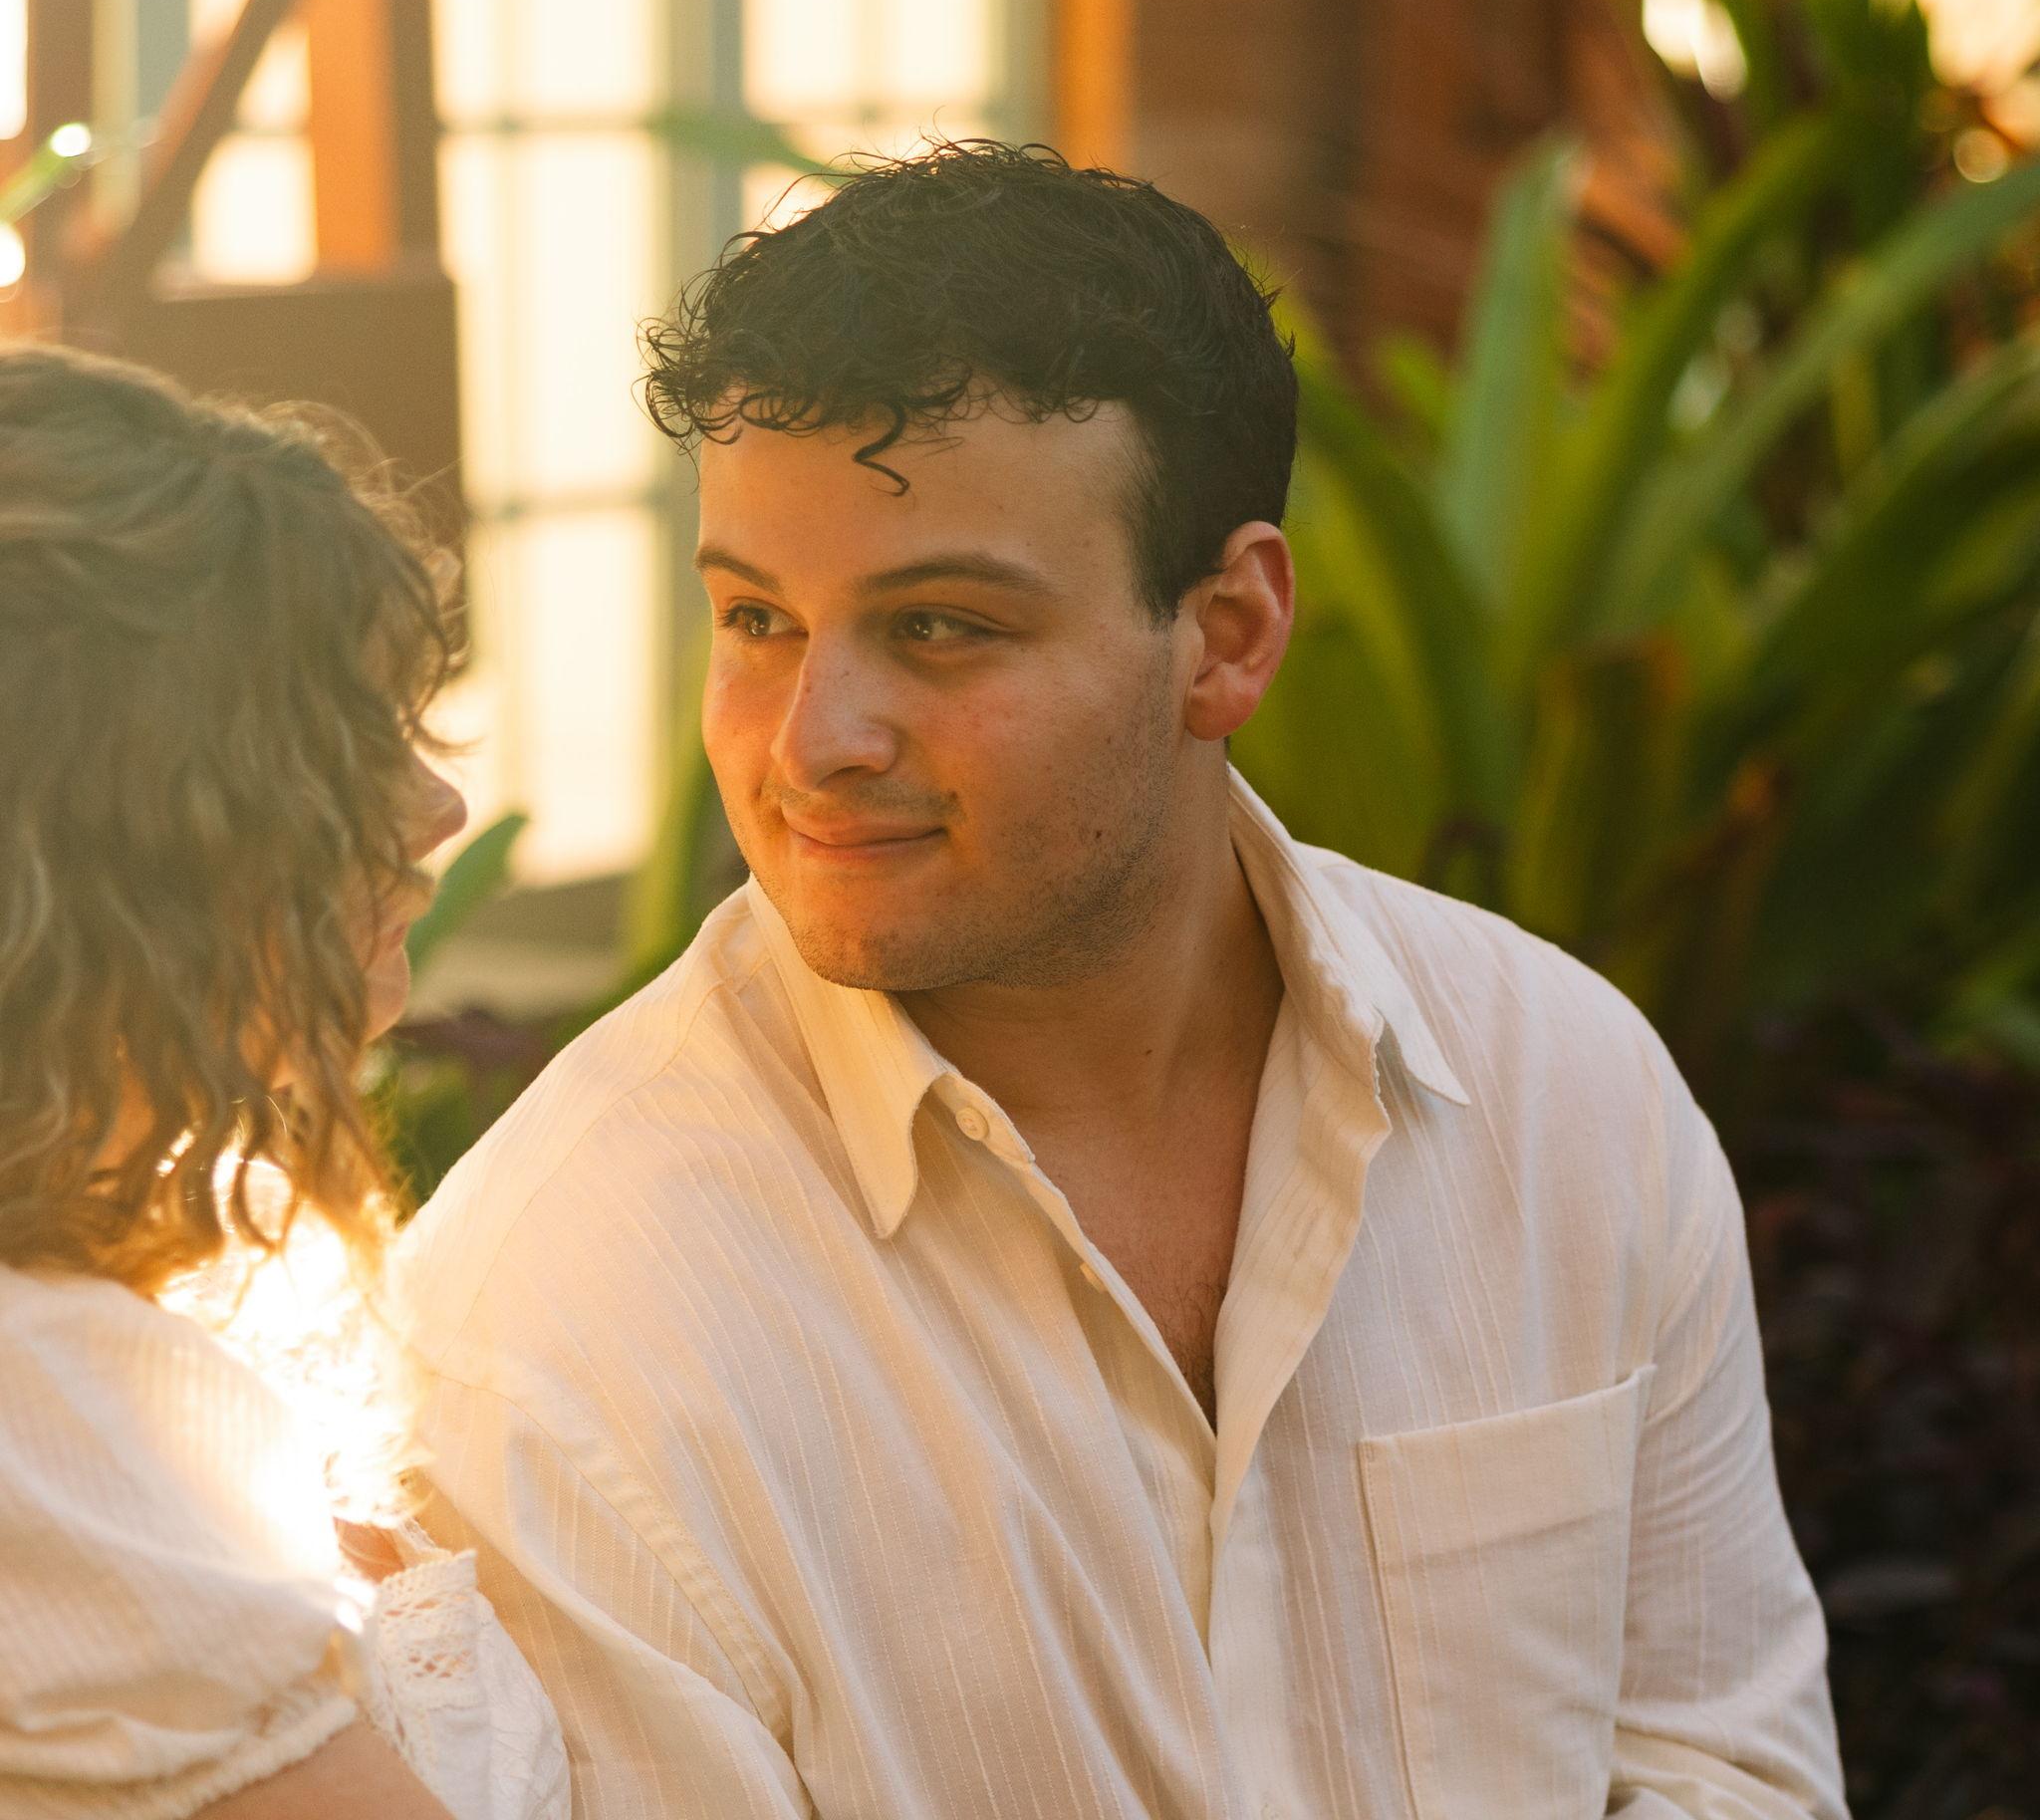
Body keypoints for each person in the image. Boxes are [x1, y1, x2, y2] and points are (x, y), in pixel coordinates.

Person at [399, 141, 1849, 1818]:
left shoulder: (1565, 1090)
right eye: (756, 621)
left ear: (1229, 634)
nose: (813, 742)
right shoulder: (561, 1314)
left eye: (939, 627)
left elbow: (1730, 1765)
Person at [0, 347, 568, 1820]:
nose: (435, 807)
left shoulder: (150, 1285)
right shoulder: (38, 1409)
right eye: (333, 754)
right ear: (119, 839)